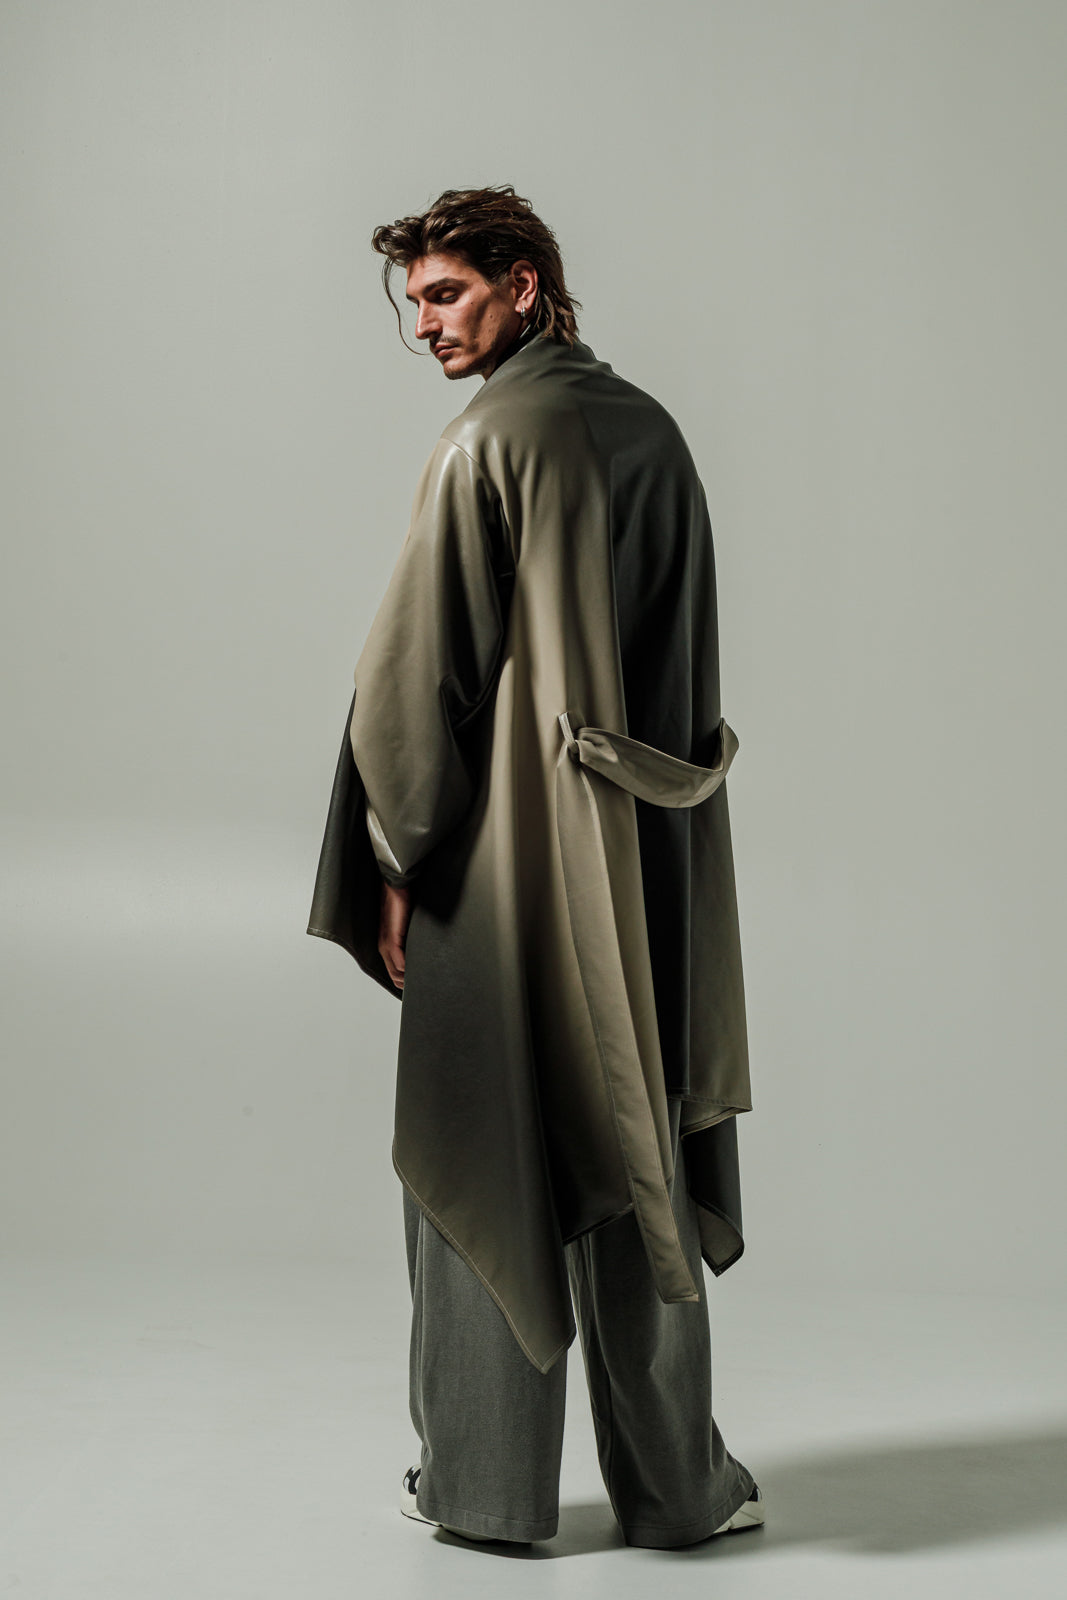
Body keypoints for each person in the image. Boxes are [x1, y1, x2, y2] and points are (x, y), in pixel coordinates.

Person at [306, 184, 764, 1549]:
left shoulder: (486, 442)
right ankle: (680, 1493)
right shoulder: (653, 431)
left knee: (483, 1142)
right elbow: (679, 668)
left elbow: (414, 683)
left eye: (446, 293)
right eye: (416, 302)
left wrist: (395, 860)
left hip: (509, 874)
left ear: (522, 284)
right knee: (634, 1148)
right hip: (644, 864)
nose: (426, 325)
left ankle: (484, 1491)